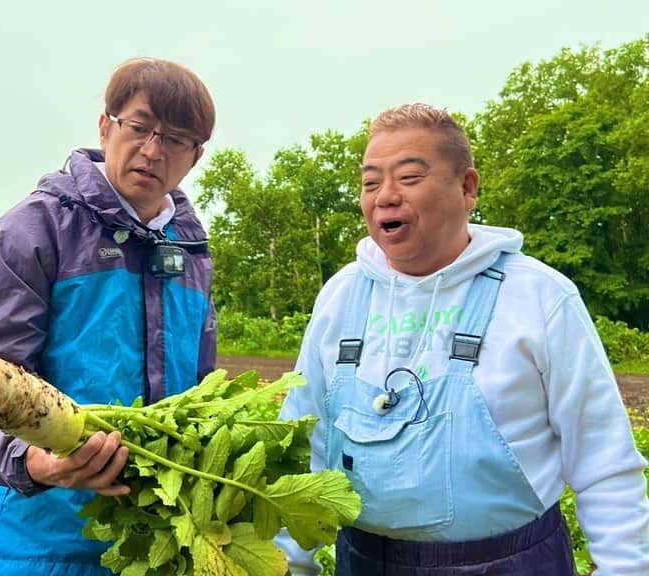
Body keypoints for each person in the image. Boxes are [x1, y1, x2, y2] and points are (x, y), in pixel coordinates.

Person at [277, 104, 649, 575]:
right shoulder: (341, 296)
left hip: (513, 564)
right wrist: (288, 564)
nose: (385, 197)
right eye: (371, 183)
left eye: (409, 177)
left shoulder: (538, 296)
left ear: (467, 186)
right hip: (366, 562)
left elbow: (603, 458)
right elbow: (303, 443)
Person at [0, 57, 217, 575]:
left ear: (195, 157)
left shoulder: (191, 247)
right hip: (35, 544)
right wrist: (37, 462)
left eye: (175, 139)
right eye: (140, 127)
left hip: (154, 542)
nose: (151, 150)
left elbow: (202, 388)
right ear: (106, 126)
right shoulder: (34, 230)